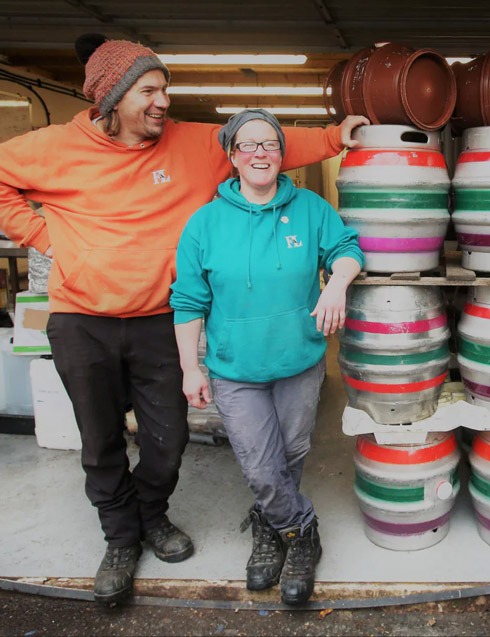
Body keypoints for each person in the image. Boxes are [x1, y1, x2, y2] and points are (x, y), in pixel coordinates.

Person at [0, 34, 367, 604]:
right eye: (149, 90)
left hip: (156, 319)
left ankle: (154, 517)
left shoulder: (194, 145)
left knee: (166, 442)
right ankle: (122, 539)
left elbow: (266, 145)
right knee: (99, 442)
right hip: (83, 319)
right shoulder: (51, 148)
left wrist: (332, 136)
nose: (163, 101)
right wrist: (46, 238)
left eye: (164, 89)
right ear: (113, 96)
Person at [170, 109, 363, 605]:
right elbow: (189, 302)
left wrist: (337, 281)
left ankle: (269, 524)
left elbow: (346, 247)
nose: (260, 153)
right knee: (259, 463)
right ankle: (301, 531)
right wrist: (191, 368)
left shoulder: (311, 209)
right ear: (232, 155)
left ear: (282, 154)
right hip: (236, 369)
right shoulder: (205, 223)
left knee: (291, 454)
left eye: (270, 145)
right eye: (248, 145)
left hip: (299, 361)